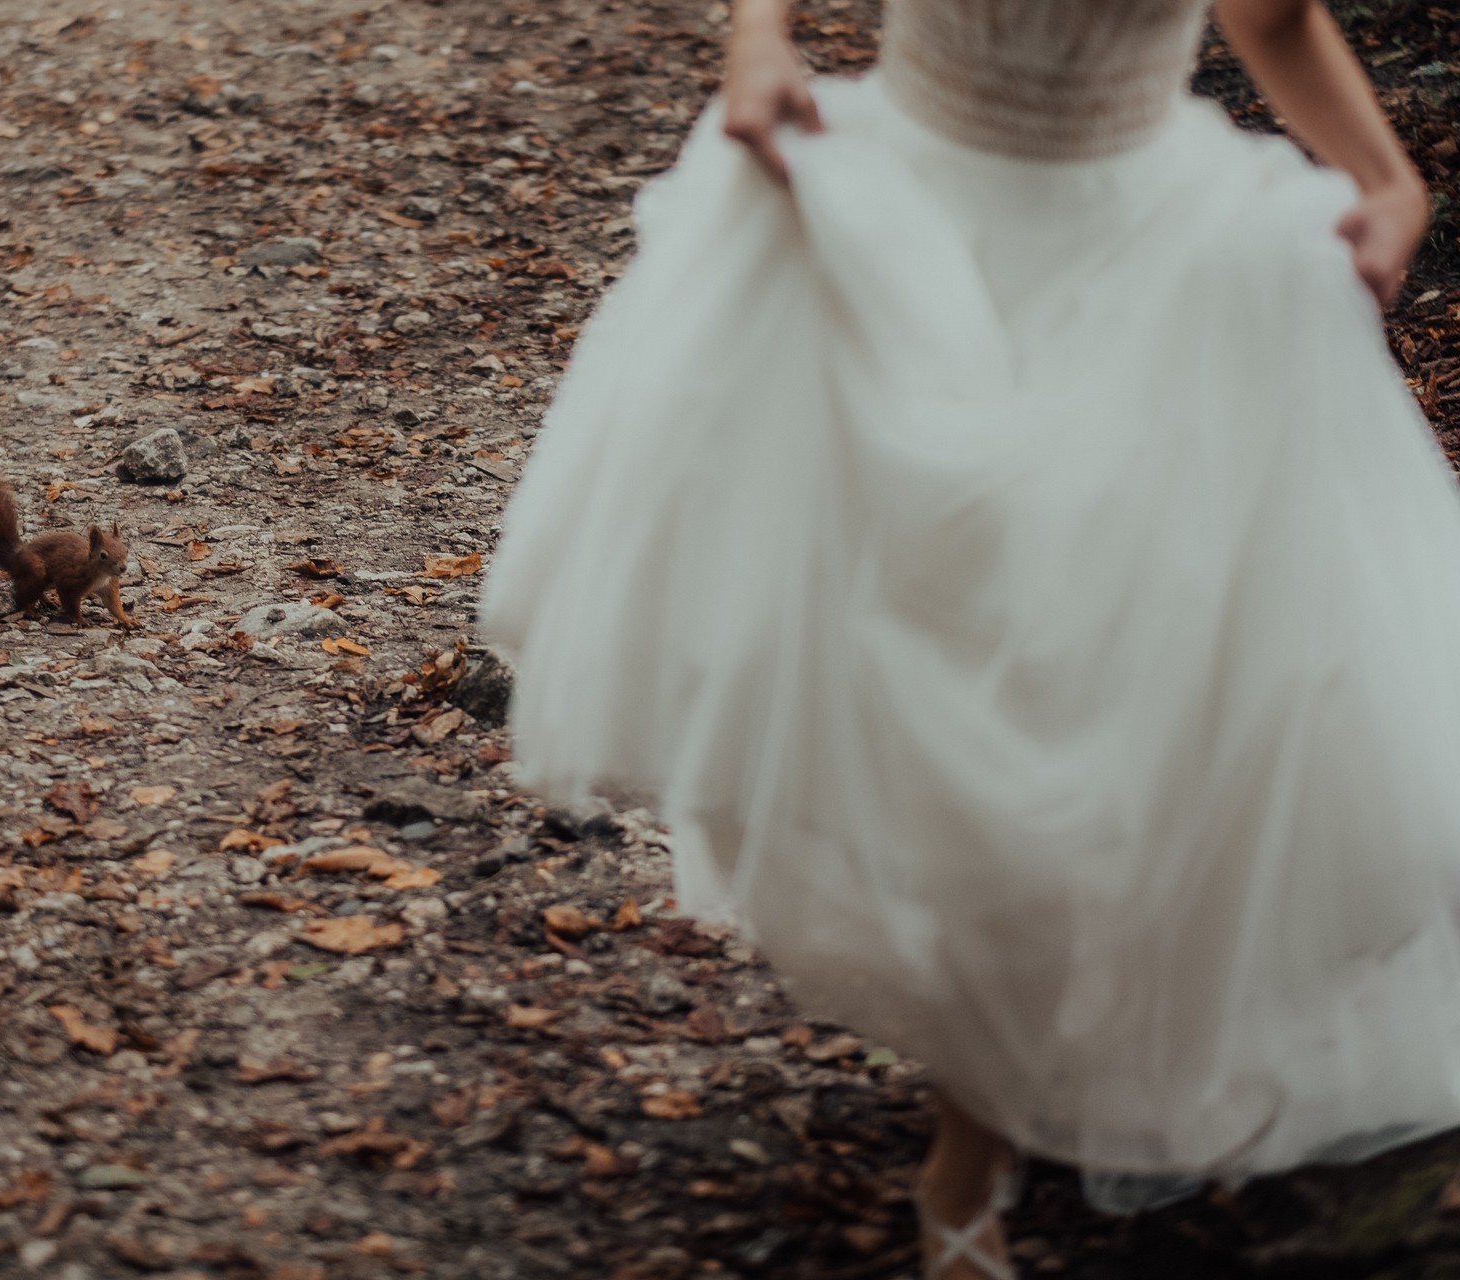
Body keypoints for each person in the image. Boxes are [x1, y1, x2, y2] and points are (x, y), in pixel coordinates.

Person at [480, 0, 1448, 1275]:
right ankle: (979, 1094)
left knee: (1097, 690)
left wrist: (1386, 178)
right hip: (894, 223)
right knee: (915, 691)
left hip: (1152, 259)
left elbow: (1271, 14)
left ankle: (991, 1108)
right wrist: (757, 41)